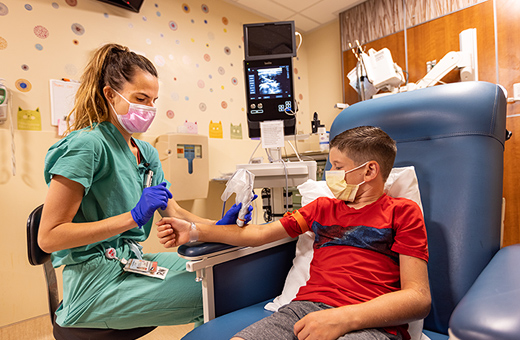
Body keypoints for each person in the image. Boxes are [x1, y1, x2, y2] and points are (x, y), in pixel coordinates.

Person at [39, 43, 252, 329]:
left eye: (153, 100)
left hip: (130, 262)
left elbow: (173, 212)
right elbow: (49, 237)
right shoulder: (86, 146)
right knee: (225, 292)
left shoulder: (146, 153)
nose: (149, 108)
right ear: (110, 95)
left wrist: (217, 227)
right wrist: (134, 217)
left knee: (225, 272)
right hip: (94, 283)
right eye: (140, 98)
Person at [157, 126, 431, 340]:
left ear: (370, 170)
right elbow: (259, 234)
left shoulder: (402, 212)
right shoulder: (322, 207)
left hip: (370, 321)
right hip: (303, 310)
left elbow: (418, 298)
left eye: (338, 166)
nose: (329, 173)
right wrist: (194, 231)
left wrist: (344, 318)